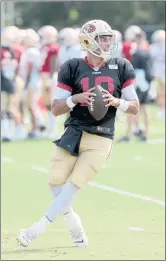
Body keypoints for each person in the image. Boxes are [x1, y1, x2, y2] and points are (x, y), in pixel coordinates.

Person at [18, 19, 139, 248]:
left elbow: (135, 106)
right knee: (55, 182)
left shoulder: (121, 66)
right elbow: (55, 108)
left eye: (108, 39)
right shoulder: (72, 66)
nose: (107, 43)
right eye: (103, 39)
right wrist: (75, 99)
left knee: (74, 184)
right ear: (88, 41)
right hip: (73, 132)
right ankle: (74, 223)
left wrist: (116, 102)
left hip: (101, 136)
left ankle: (37, 228)